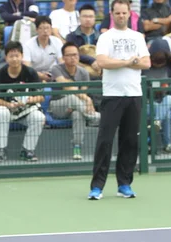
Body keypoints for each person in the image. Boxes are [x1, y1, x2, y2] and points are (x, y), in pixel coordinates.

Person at [88, 0, 150, 200]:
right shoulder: (105, 37)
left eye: (124, 13)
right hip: (112, 96)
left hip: (134, 95)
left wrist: (130, 63)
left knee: (130, 141)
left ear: (129, 13)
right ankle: (97, 186)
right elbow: (102, 62)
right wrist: (128, 62)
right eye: (118, 13)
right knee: (105, 141)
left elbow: (146, 63)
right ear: (112, 13)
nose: (121, 16)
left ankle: (124, 184)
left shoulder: (137, 37)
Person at [0, 41, 45, 163]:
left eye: (17, 55)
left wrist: (29, 100)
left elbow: (41, 96)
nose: (14, 59)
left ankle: (27, 150)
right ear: (6, 57)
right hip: (8, 110)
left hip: (26, 110)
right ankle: (1, 150)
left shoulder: (31, 73)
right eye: (11, 56)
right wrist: (10, 105)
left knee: (39, 117)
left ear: (22, 56)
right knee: (1, 112)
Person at [49, 42, 100, 160]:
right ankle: (95, 118)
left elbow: (82, 92)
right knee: (71, 97)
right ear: (63, 57)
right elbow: (65, 86)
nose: (73, 58)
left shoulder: (84, 72)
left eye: (76, 55)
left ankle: (77, 146)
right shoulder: (56, 68)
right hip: (58, 106)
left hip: (77, 107)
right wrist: (87, 99)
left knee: (78, 114)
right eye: (69, 55)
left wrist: (84, 98)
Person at [23, 16, 63, 82]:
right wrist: (41, 75)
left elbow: (62, 62)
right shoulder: (28, 45)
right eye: (42, 28)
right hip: (34, 75)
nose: (45, 31)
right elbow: (27, 67)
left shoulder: (57, 42)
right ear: (36, 30)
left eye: (48, 28)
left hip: (52, 74)